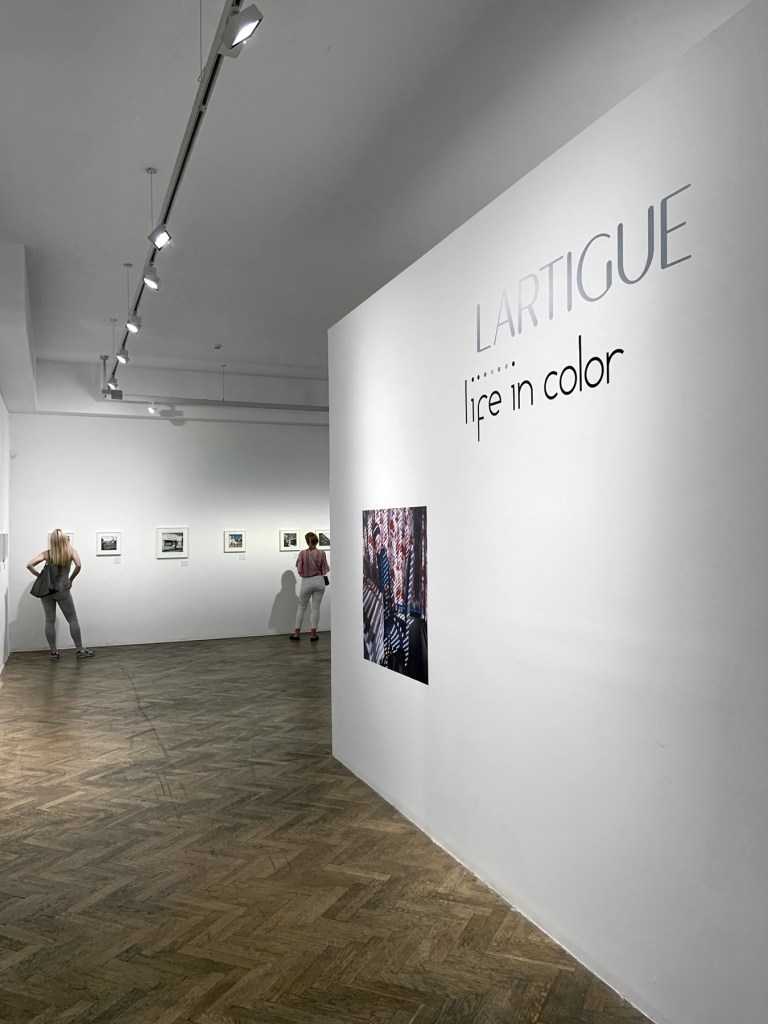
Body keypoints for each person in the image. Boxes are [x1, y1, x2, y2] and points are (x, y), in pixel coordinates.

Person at [27, 529, 94, 660]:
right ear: (64, 539)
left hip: (46, 591)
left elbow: (29, 565)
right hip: (62, 590)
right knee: (72, 619)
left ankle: (54, 652)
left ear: (52, 540)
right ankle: (80, 650)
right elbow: (79, 565)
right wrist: (71, 579)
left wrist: (40, 577)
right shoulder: (70, 552)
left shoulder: (47, 553)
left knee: (49, 620)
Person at [290, 532, 329, 642]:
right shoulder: (322, 553)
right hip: (319, 581)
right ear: (316, 541)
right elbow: (325, 569)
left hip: (306, 581)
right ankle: (313, 634)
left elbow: (299, 569)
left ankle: (297, 633)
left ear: (307, 541)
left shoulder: (302, 553)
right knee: (316, 608)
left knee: (301, 608)